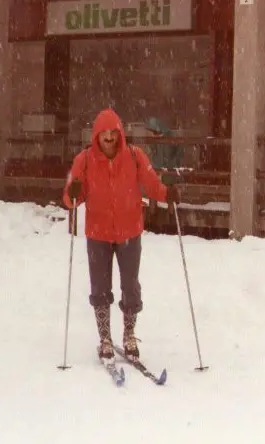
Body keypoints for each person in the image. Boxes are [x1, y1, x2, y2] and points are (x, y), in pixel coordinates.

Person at [63, 108, 179, 362]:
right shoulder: (83, 160)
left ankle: (129, 334)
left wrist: (166, 193)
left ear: (119, 134)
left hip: (129, 231)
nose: (109, 138)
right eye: (104, 134)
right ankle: (104, 337)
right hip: (98, 233)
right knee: (100, 286)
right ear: (96, 136)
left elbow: (151, 183)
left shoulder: (135, 156)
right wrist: (73, 192)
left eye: (113, 133)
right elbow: (71, 198)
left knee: (130, 286)